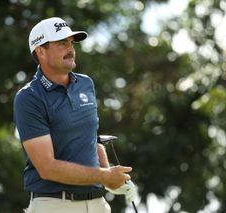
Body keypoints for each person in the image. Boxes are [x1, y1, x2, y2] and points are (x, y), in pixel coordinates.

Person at [13, 17, 136, 213]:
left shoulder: (86, 84)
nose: (70, 49)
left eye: (71, 43)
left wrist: (113, 180)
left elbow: (92, 139)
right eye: (62, 43)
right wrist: (104, 176)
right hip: (54, 205)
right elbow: (47, 167)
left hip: (97, 203)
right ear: (40, 51)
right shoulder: (29, 98)